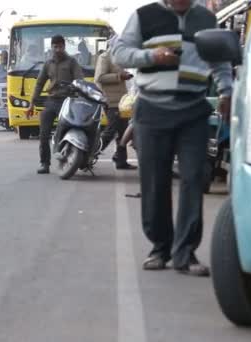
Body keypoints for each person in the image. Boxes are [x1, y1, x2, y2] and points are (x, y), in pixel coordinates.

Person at [112, 0, 233, 276]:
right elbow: (119, 52)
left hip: (193, 110)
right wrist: (151, 57)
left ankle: (186, 253)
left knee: (194, 178)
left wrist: (226, 90)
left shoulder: (205, 18)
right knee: (155, 180)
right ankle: (160, 247)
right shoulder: (144, 16)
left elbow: (219, 60)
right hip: (152, 110)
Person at [27, 35, 84, 174]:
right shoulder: (48, 64)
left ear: (64, 46)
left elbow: (80, 80)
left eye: (60, 46)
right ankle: (44, 163)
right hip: (51, 101)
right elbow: (39, 83)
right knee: (43, 133)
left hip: (68, 101)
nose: (58, 49)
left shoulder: (72, 62)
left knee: (69, 129)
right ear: (51, 47)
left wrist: (80, 95)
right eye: (55, 46)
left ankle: (73, 158)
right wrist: (31, 104)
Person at [95, 34, 137, 170]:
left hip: (122, 101)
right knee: (111, 130)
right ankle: (91, 153)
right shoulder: (105, 57)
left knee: (123, 130)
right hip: (110, 100)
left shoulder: (119, 58)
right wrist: (119, 76)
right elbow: (100, 77)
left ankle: (120, 160)